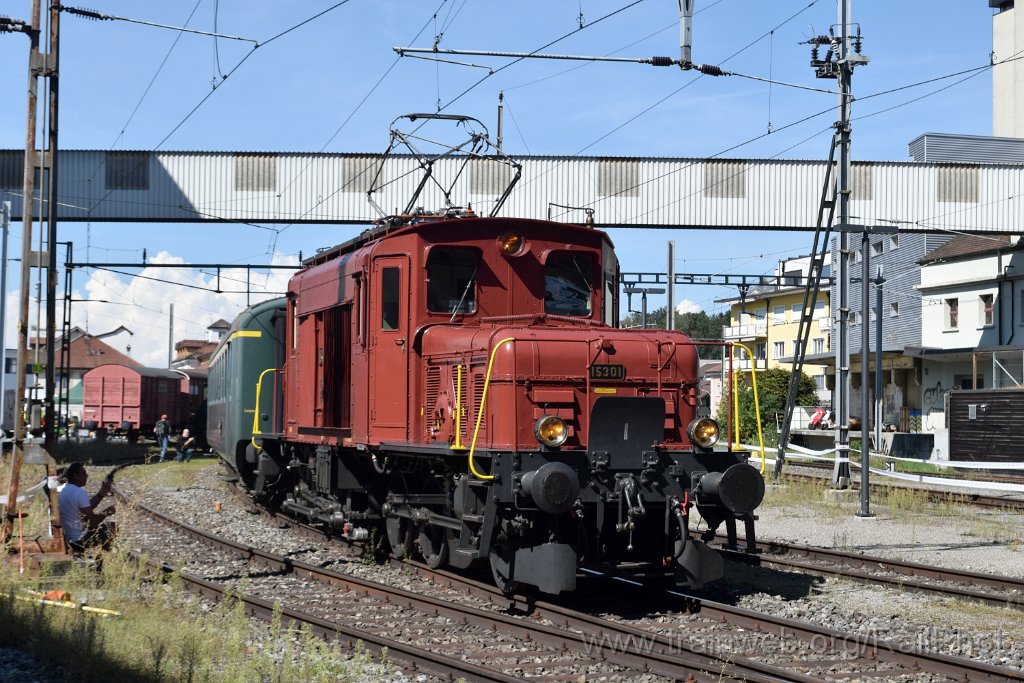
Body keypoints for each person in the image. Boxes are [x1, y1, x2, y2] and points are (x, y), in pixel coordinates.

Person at [58, 462, 116, 554]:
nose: (87, 476)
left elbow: (85, 507)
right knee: (111, 526)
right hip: (78, 541)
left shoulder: (60, 490)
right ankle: (103, 559)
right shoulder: (79, 492)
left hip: (64, 539)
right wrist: (107, 512)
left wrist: (102, 493)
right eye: (84, 473)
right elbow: (91, 523)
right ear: (75, 476)